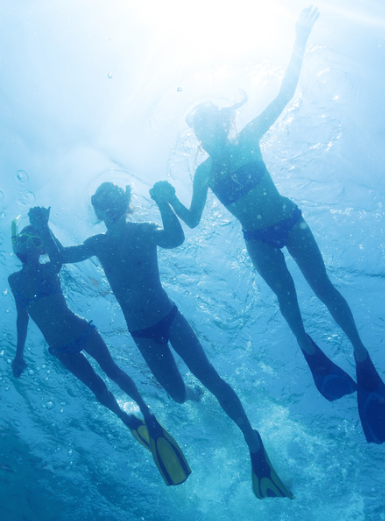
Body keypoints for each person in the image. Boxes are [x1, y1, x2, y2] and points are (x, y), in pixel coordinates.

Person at [151, 5, 385, 444]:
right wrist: (169, 198)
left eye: (206, 123)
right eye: (197, 129)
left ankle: (361, 355)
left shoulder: (248, 137)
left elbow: (286, 92)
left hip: (289, 220)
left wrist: (300, 38)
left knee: (323, 288)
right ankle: (310, 351)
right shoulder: (203, 173)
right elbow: (192, 222)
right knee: (288, 301)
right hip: (257, 238)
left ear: (222, 121)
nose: (202, 133)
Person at [48, 184, 292, 499]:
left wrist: (164, 202)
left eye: (110, 200)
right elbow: (62, 257)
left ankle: (251, 439)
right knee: (177, 395)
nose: (105, 207)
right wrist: (43, 227)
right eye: (99, 202)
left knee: (210, 375)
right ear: (97, 208)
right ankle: (195, 395)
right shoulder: (99, 243)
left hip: (169, 318)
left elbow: (175, 238)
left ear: (123, 203)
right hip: (142, 332)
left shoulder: (145, 230)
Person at [9, 206, 190, 486]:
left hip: (82, 330)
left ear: (41, 248)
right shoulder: (14, 280)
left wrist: (43, 225)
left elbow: (59, 258)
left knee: (113, 371)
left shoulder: (49, 268)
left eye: (35, 241)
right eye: (24, 240)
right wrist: (18, 355)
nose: (29, 245)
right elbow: (22, 317)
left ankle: (146, 411)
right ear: (17, 246)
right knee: (96, 387)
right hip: (59, 348)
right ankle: (125, 418)